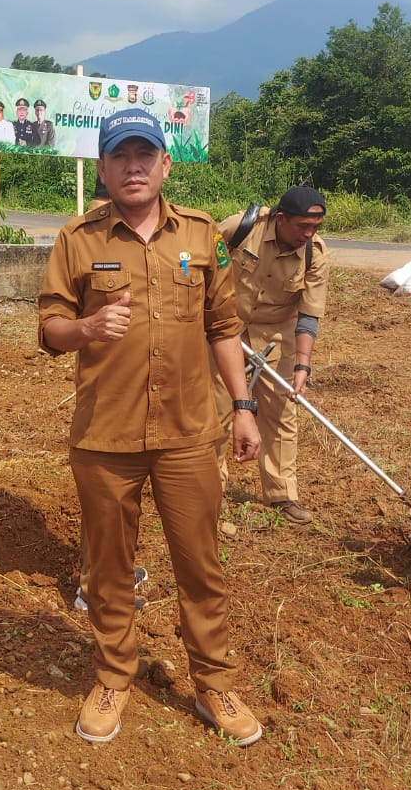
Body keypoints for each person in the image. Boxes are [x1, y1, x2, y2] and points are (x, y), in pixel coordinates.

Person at [39, 108, 265, 747]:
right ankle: (114, 674)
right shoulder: (77, 239)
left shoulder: (200, 237)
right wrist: (84, 328)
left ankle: (214, 684)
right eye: (120, 157)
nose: (133, 167)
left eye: (145, 156)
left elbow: (224, 327)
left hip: (188, 432)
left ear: (166, 164)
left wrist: (242, 407)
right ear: (104, 168)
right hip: (105, 434)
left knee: (200, 564)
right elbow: (50, 329)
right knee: (108, 567)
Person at [211, 187, 331, 525]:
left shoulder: (314, 254)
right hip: (227, 330)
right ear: (281, 219)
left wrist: (303, 365)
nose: (310, 234)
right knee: (219, 410)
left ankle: (282, 493)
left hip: (276, 334)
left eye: (316, 227)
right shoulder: (242, 227)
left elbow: (309, 315)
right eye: (303, 227)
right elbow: (204, 265)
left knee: (281, 413)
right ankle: (211, 493)